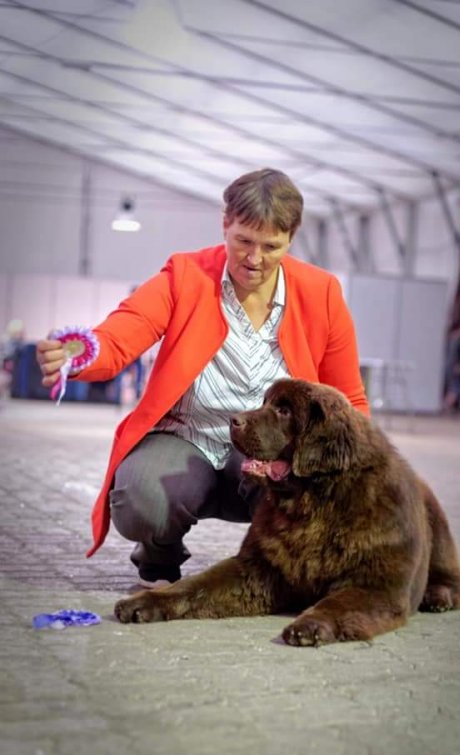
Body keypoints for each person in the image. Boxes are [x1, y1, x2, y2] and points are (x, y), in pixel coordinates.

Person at [36, 168, 369, 588]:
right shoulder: (185, 275)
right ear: (225, 224)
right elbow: (123, 332)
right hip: (187, 436)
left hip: (269, 448)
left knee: (311, 495)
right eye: (243, 241)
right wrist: (80, 353)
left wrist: (360, 469)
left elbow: (348, 399)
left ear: (292, 237)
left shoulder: (321, 292)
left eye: (271, 247)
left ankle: (279, 565)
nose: (254, 259)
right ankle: (159, 551)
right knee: (142, 500)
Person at [443, 323, 460, 413]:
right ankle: (447, 404)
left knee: (454, 387)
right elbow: (455, 355)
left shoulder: (452, 339)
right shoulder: (457, 341)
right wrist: (457, 365)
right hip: (454, 366)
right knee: (455, 387)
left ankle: (448, 404)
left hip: (450, 365)